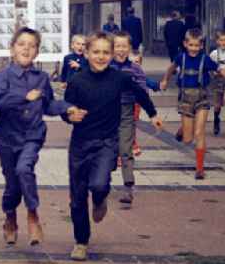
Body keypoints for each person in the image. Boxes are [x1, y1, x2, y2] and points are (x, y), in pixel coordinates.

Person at [63, 31, 162, 261]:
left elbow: (139, 92)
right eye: (96, 52)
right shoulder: (77, 80)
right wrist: (70, 115)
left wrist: (153, 113)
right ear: (86, 53)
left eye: (105, 52)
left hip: (107, 142)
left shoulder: (119, 78)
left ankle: (100, 199)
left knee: (98, 184)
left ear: (111, 54)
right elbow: (67, 108)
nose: (101, 56)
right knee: (77, 197)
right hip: (80, 145)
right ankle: (81, 241)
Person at [0, 27, 86, 246]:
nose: (26, 48)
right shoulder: (4, 76)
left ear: (37, 52)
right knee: (12, 186)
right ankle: (10, 217)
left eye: (31, 45)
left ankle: (33, 215)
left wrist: (67, 108)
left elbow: (48, 104)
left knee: (25, 169)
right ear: (12, 49)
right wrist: (24, 97)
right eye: (21, 44)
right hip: (7, 137)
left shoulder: (42, 78)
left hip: (32, 135)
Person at [160, 28, 225, 180]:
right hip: (185, 99)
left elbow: (221, 70)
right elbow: (170, 69)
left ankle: (200, 168)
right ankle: (183, 129)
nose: (194, 48)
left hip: (202, 98)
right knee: (188, 139)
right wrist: (164, 80)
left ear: (202, 46)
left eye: (197, 45)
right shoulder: (180, 57)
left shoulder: (206, 59)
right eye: (191, 45)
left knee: (199, 133)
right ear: (185, 44)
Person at [110, 31, 151, 207]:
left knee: (125, 149)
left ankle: (128, 186)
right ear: (112, 48)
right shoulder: (105, 67)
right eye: (117, 46)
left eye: (124, 46)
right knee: (108, 149)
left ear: (129, 48)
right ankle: (104, 179)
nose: (120, 49)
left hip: (126, 111)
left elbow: (143, 90)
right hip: (107, 113)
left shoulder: (135, 68)